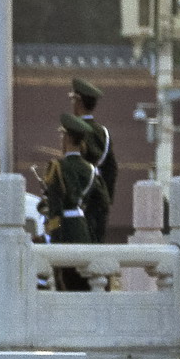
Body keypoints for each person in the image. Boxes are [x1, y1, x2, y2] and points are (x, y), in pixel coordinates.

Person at [39, 114, 105, 291]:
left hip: (64, 230)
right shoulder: (90, 169)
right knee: (81, 285)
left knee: (65, 285)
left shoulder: (57, 167)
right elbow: (102, 203)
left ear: (67, 138)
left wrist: (53, 236)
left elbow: (55, 208)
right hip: (82, 229)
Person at [70, 77, 117, 242]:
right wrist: (106, 195)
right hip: (100, 193)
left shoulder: (75, 131)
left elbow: (74, 163)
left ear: (78, 101)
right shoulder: (103, 132)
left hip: (80, 195)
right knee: (97, 243)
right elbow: (112, 167)